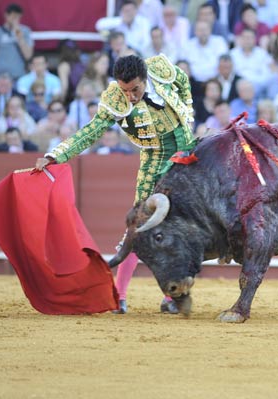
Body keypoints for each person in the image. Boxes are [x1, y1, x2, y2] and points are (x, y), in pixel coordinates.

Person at [35, 55, 197, 315]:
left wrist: (188, 110)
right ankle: (119, 296)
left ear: (146, 79)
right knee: (139, 228)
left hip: (189, 154)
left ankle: (172, 295)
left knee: (190, 225)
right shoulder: (115, 98)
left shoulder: (160, 69)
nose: (131, 97)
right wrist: (57, 154)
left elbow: (181, 80)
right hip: (155, 160)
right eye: (125, 90)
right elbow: (91, 131)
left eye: (135, 89)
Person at [0, 3, 34, 81]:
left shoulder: (25, 31)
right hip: (0, 77)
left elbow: (28, 55)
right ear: (6, 15)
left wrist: (20, 37)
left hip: (18, 76)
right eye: (13, 17)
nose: (15, 20)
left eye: (17, 17)